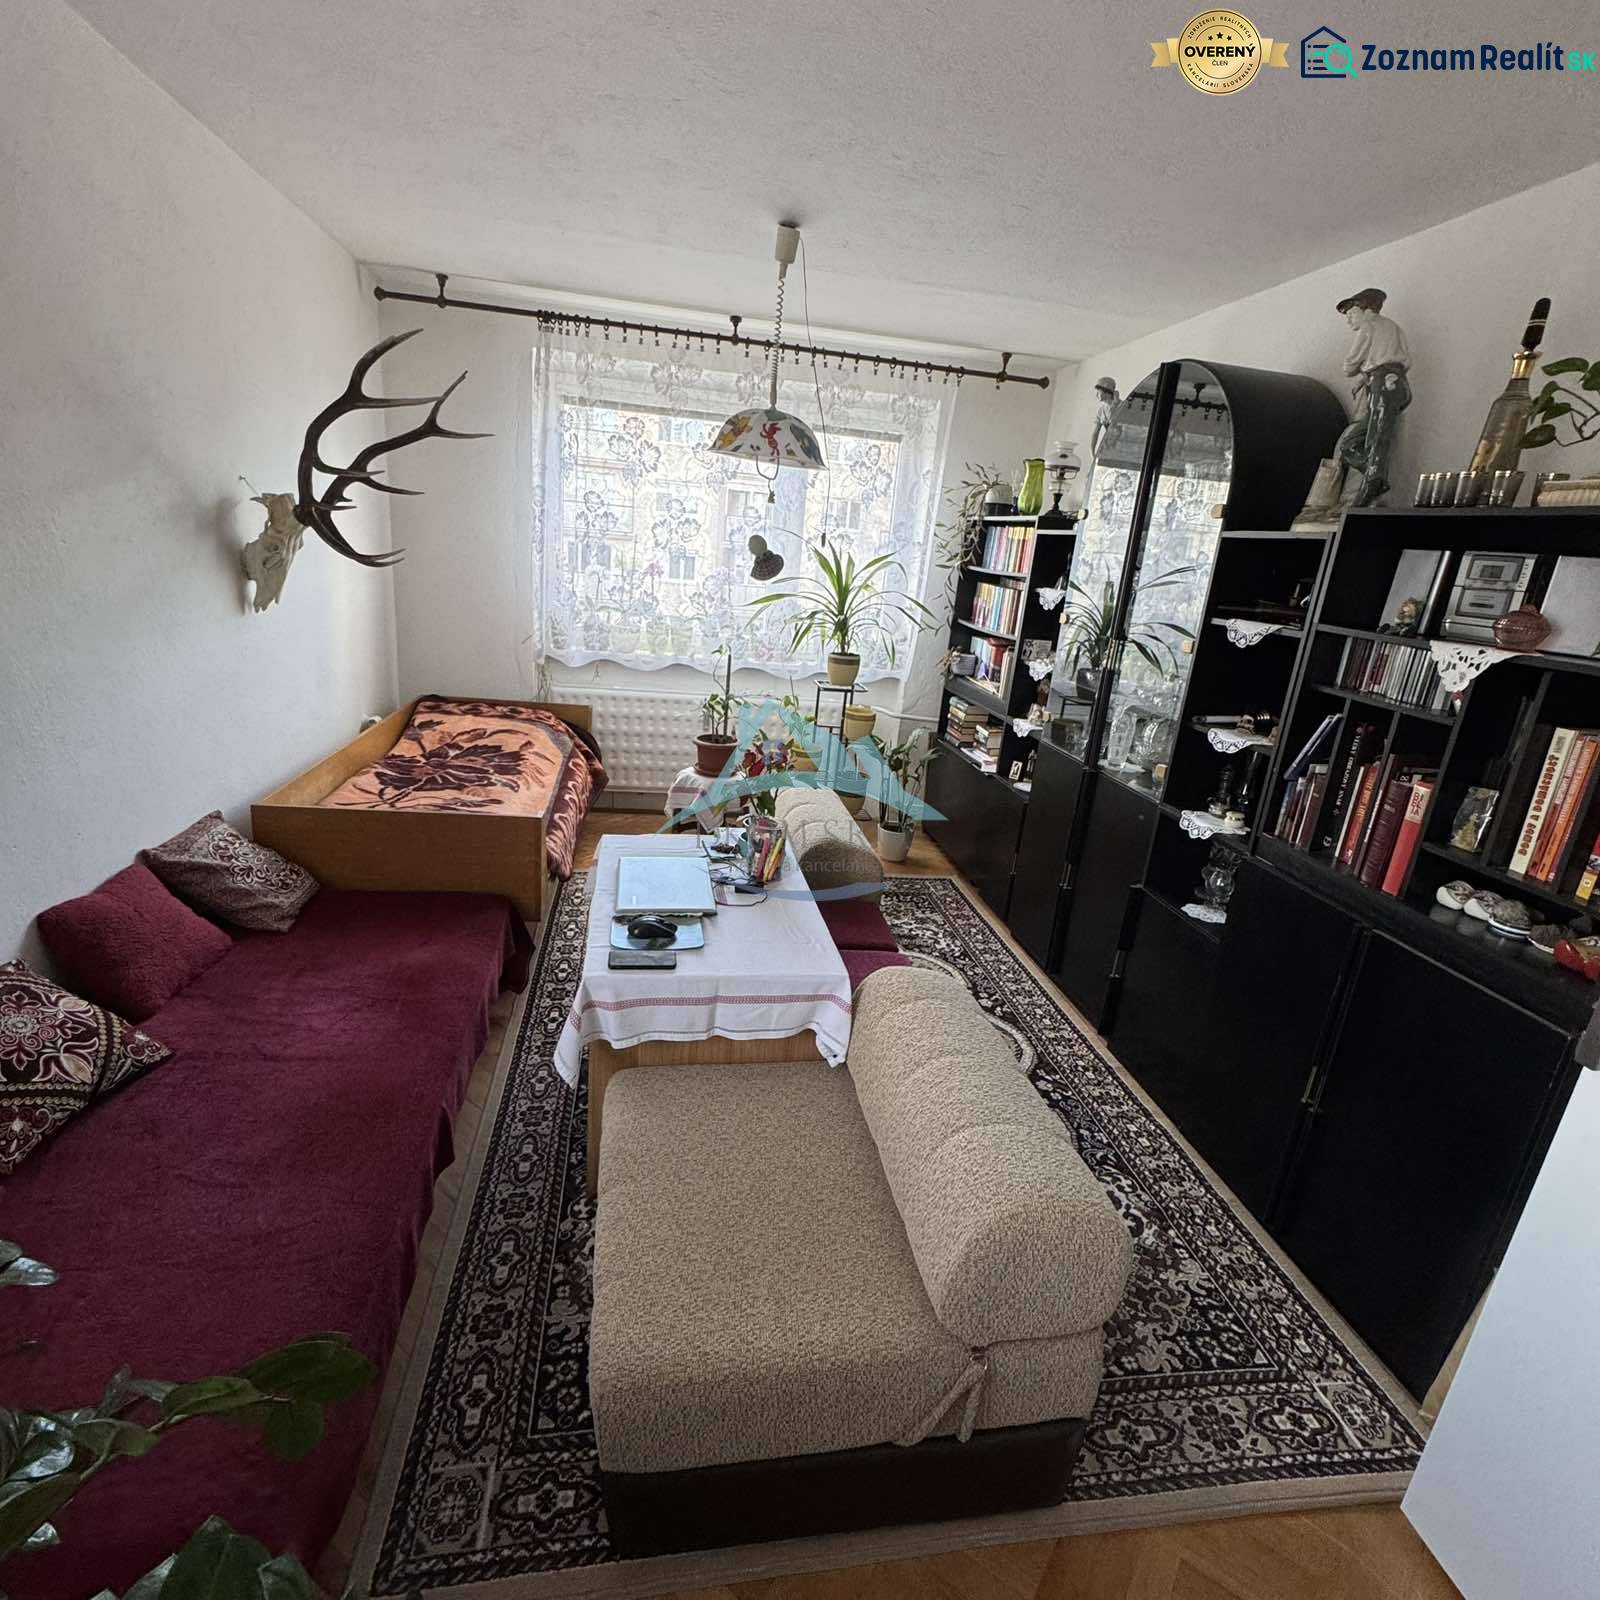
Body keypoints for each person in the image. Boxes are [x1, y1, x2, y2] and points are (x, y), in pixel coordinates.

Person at [1334, 287, 1411, 506]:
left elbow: (1349, 366)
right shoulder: (1393, 327)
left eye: (1350, 314)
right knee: (1352, 442)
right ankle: (1376, 475)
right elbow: (1395, 359)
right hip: (1395, 384)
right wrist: (1366, 378)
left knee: (1376, 439)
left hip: (1383, 385)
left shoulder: (1368, 326)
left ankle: (1371, 486)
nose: (1349, 321)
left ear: (1364, 309)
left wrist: (1361, 373)